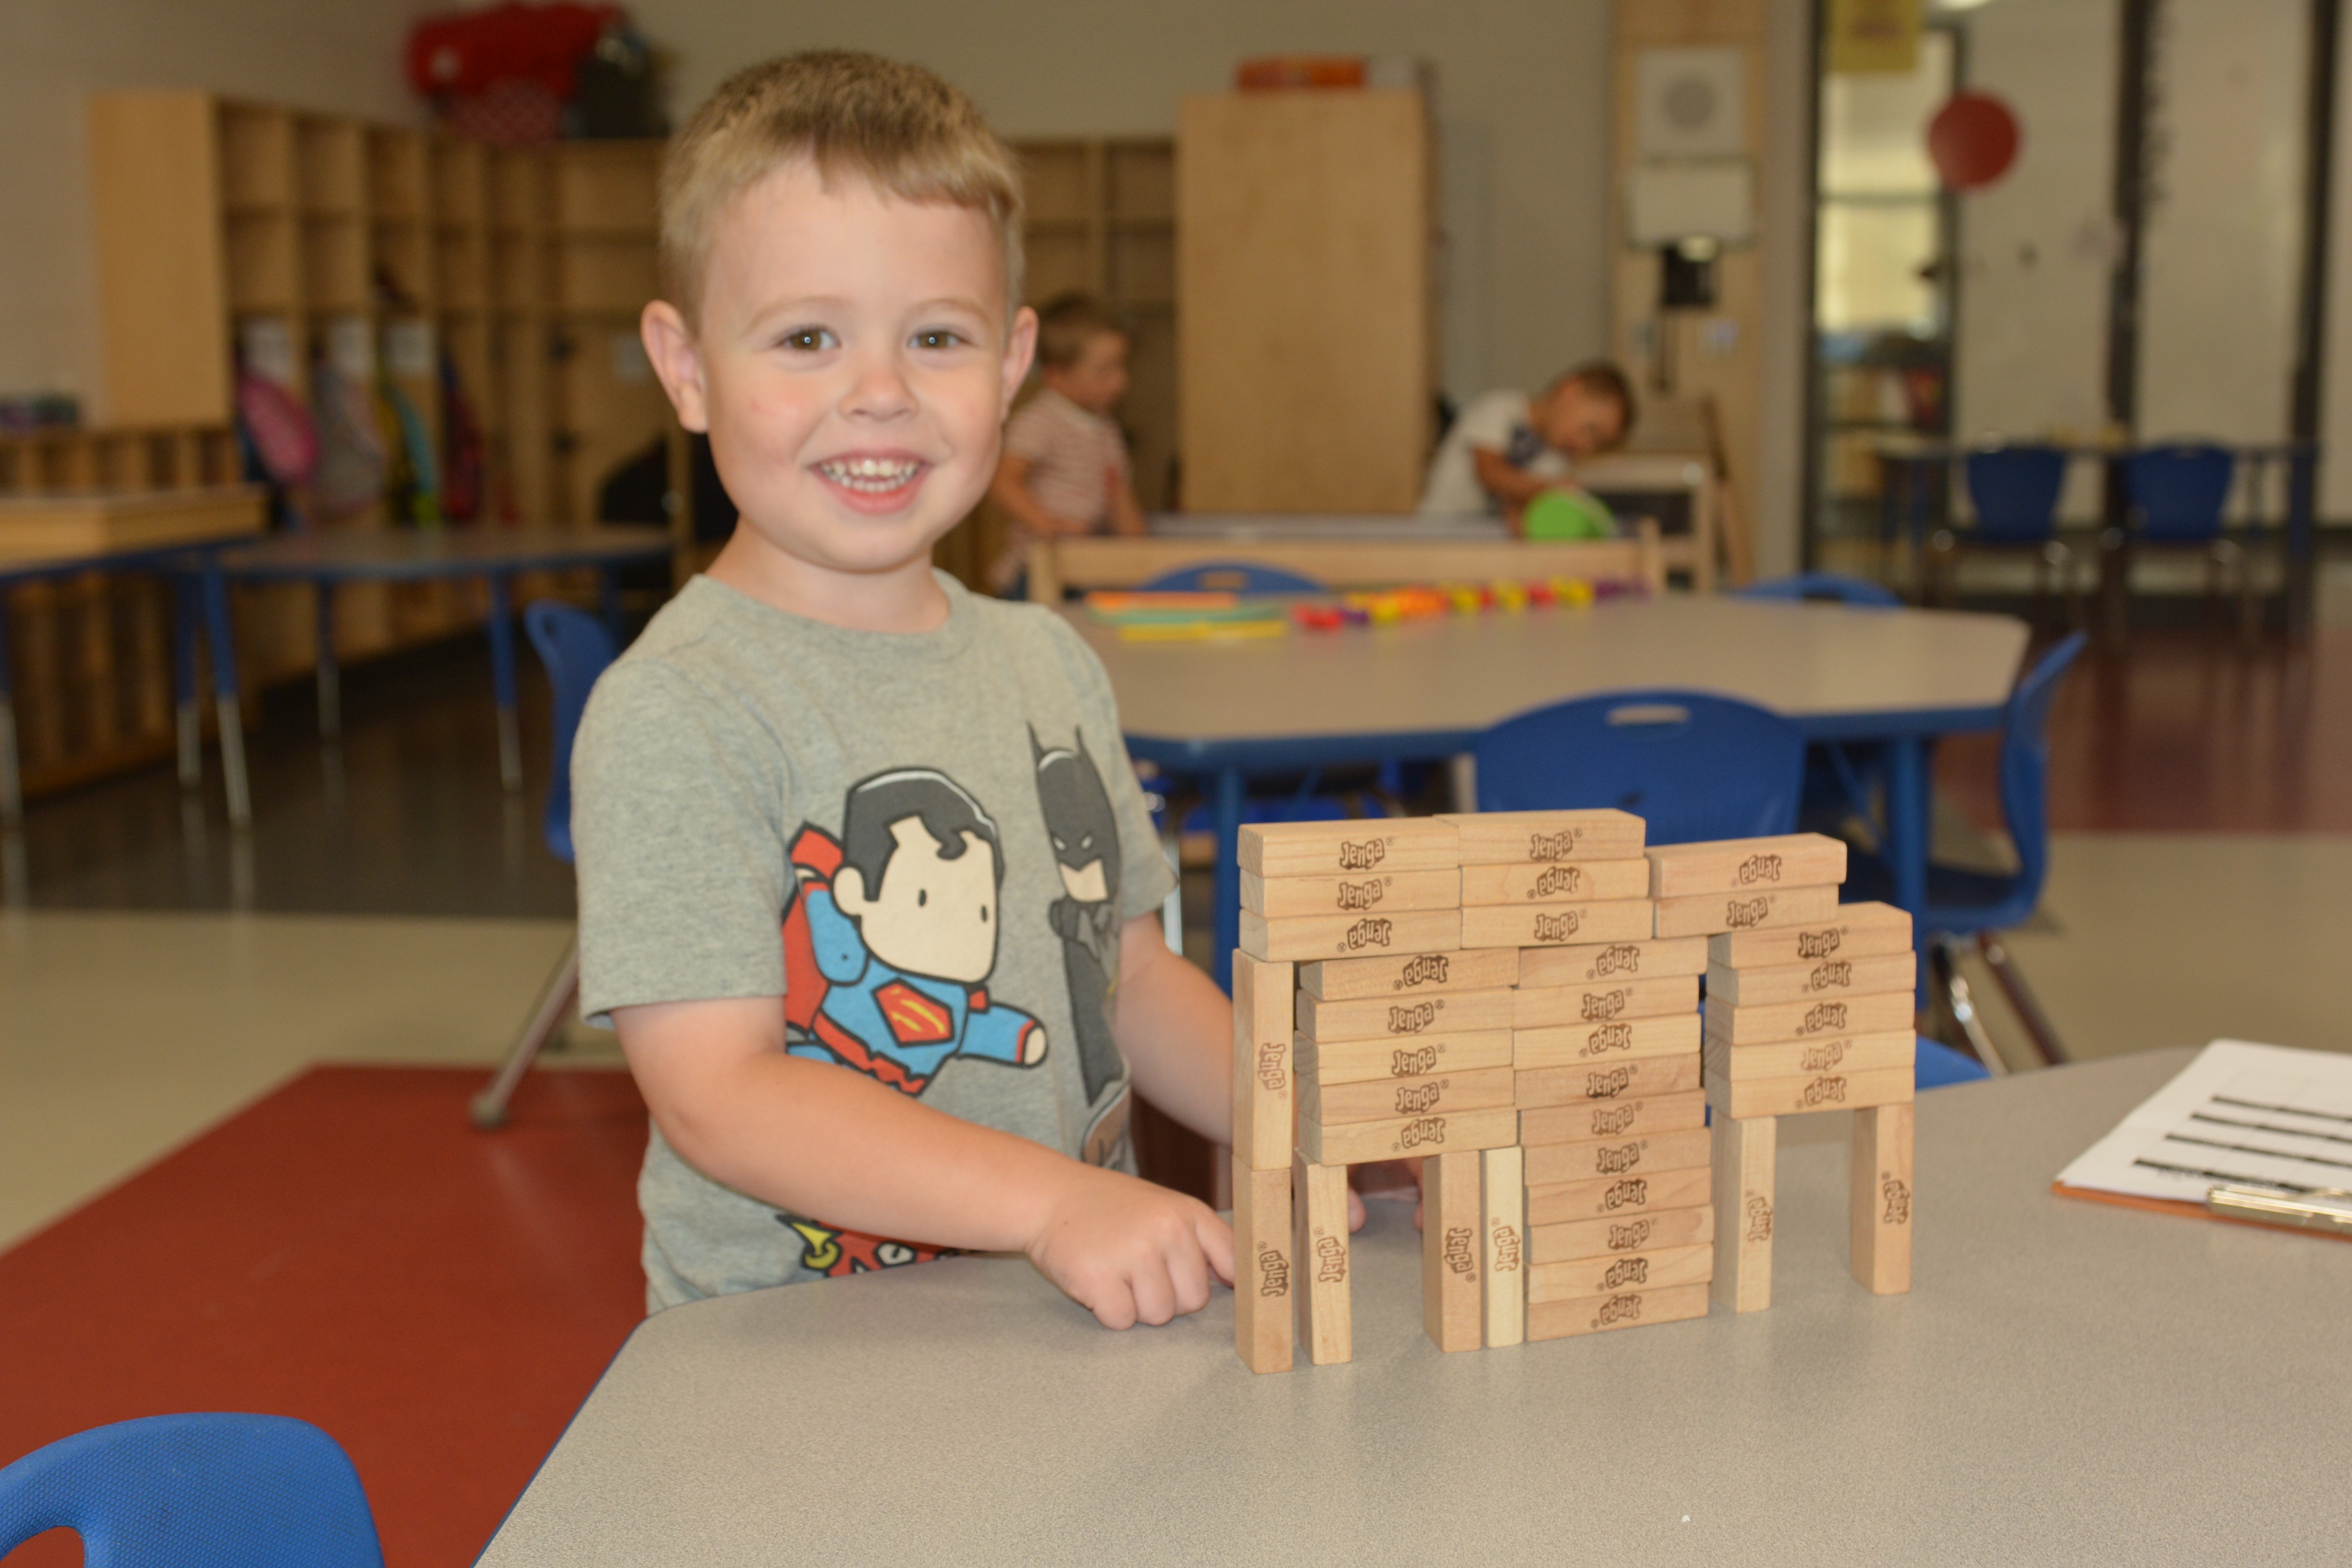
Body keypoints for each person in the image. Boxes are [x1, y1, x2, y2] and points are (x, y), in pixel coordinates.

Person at [577, 50, 1243, 1330]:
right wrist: (1052, 1204)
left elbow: (1138, 979)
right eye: (808, 337)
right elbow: (720, 1090)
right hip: (798, 1355)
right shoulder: (682, 709)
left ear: (1011, 364)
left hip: (1065, 1315)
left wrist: (1318, 1124)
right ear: (686, 365)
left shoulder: (1050, 662)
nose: (878, 393)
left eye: (937, 336)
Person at [985, 292, 1146, 595]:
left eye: (1121, 367)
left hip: (1086, 566)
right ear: (1056, 376)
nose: (1119, 382)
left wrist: (1137, 550)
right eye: (1104, 371)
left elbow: (1117, 489)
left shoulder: (1106, 429)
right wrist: (1045, 523)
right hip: (1040, 567)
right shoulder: (1041, 421)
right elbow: (1002, 480)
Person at [1418, 363, 1637, 533]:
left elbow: (1521, 513)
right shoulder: (1498, 408)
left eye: (1597, 445)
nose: (1585, 445)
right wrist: (1549, 491)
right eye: (1590, 429)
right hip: (1436, 533)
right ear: (1570, 390)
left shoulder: (1555, 462)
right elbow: (1490, 473)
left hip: (1485, 544)